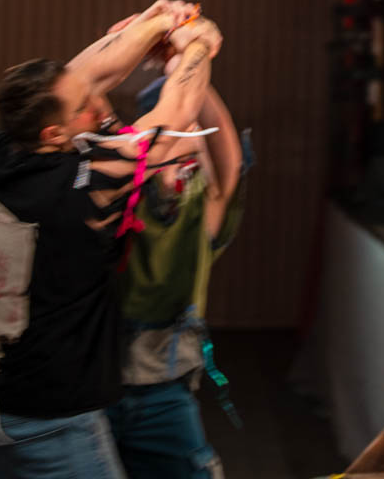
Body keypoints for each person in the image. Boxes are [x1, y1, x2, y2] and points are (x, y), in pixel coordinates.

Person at [0, 0, 221, 476]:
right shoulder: (88, 184)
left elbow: (87, 74)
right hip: (47, 420)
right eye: (83, 108)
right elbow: (176, 111)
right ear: (55, 133)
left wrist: (159, 21)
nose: (97, 105)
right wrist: (198, 40)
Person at [107, 64, 249, 479]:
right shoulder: (117, 196)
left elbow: (228, 157)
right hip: (93, 385)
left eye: (195, 139)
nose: (189, 151)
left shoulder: (200, 207)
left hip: (163, 390)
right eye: (178, 135)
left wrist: (190, 62)